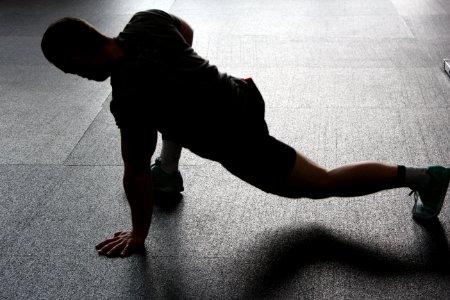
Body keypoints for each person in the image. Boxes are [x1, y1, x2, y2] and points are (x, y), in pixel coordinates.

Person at [41, 9, 450, 258]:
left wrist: (139, 233)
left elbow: (133, 171)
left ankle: (424, 178)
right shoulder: (146, 21)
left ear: (78, 57)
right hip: (242, 92)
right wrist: (183, 76)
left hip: (237, 140)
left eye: (70, 69)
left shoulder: (130, 98)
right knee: (172, 107)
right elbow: (186, 33)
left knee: (320, 184)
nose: (76, 76)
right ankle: (169, 168)